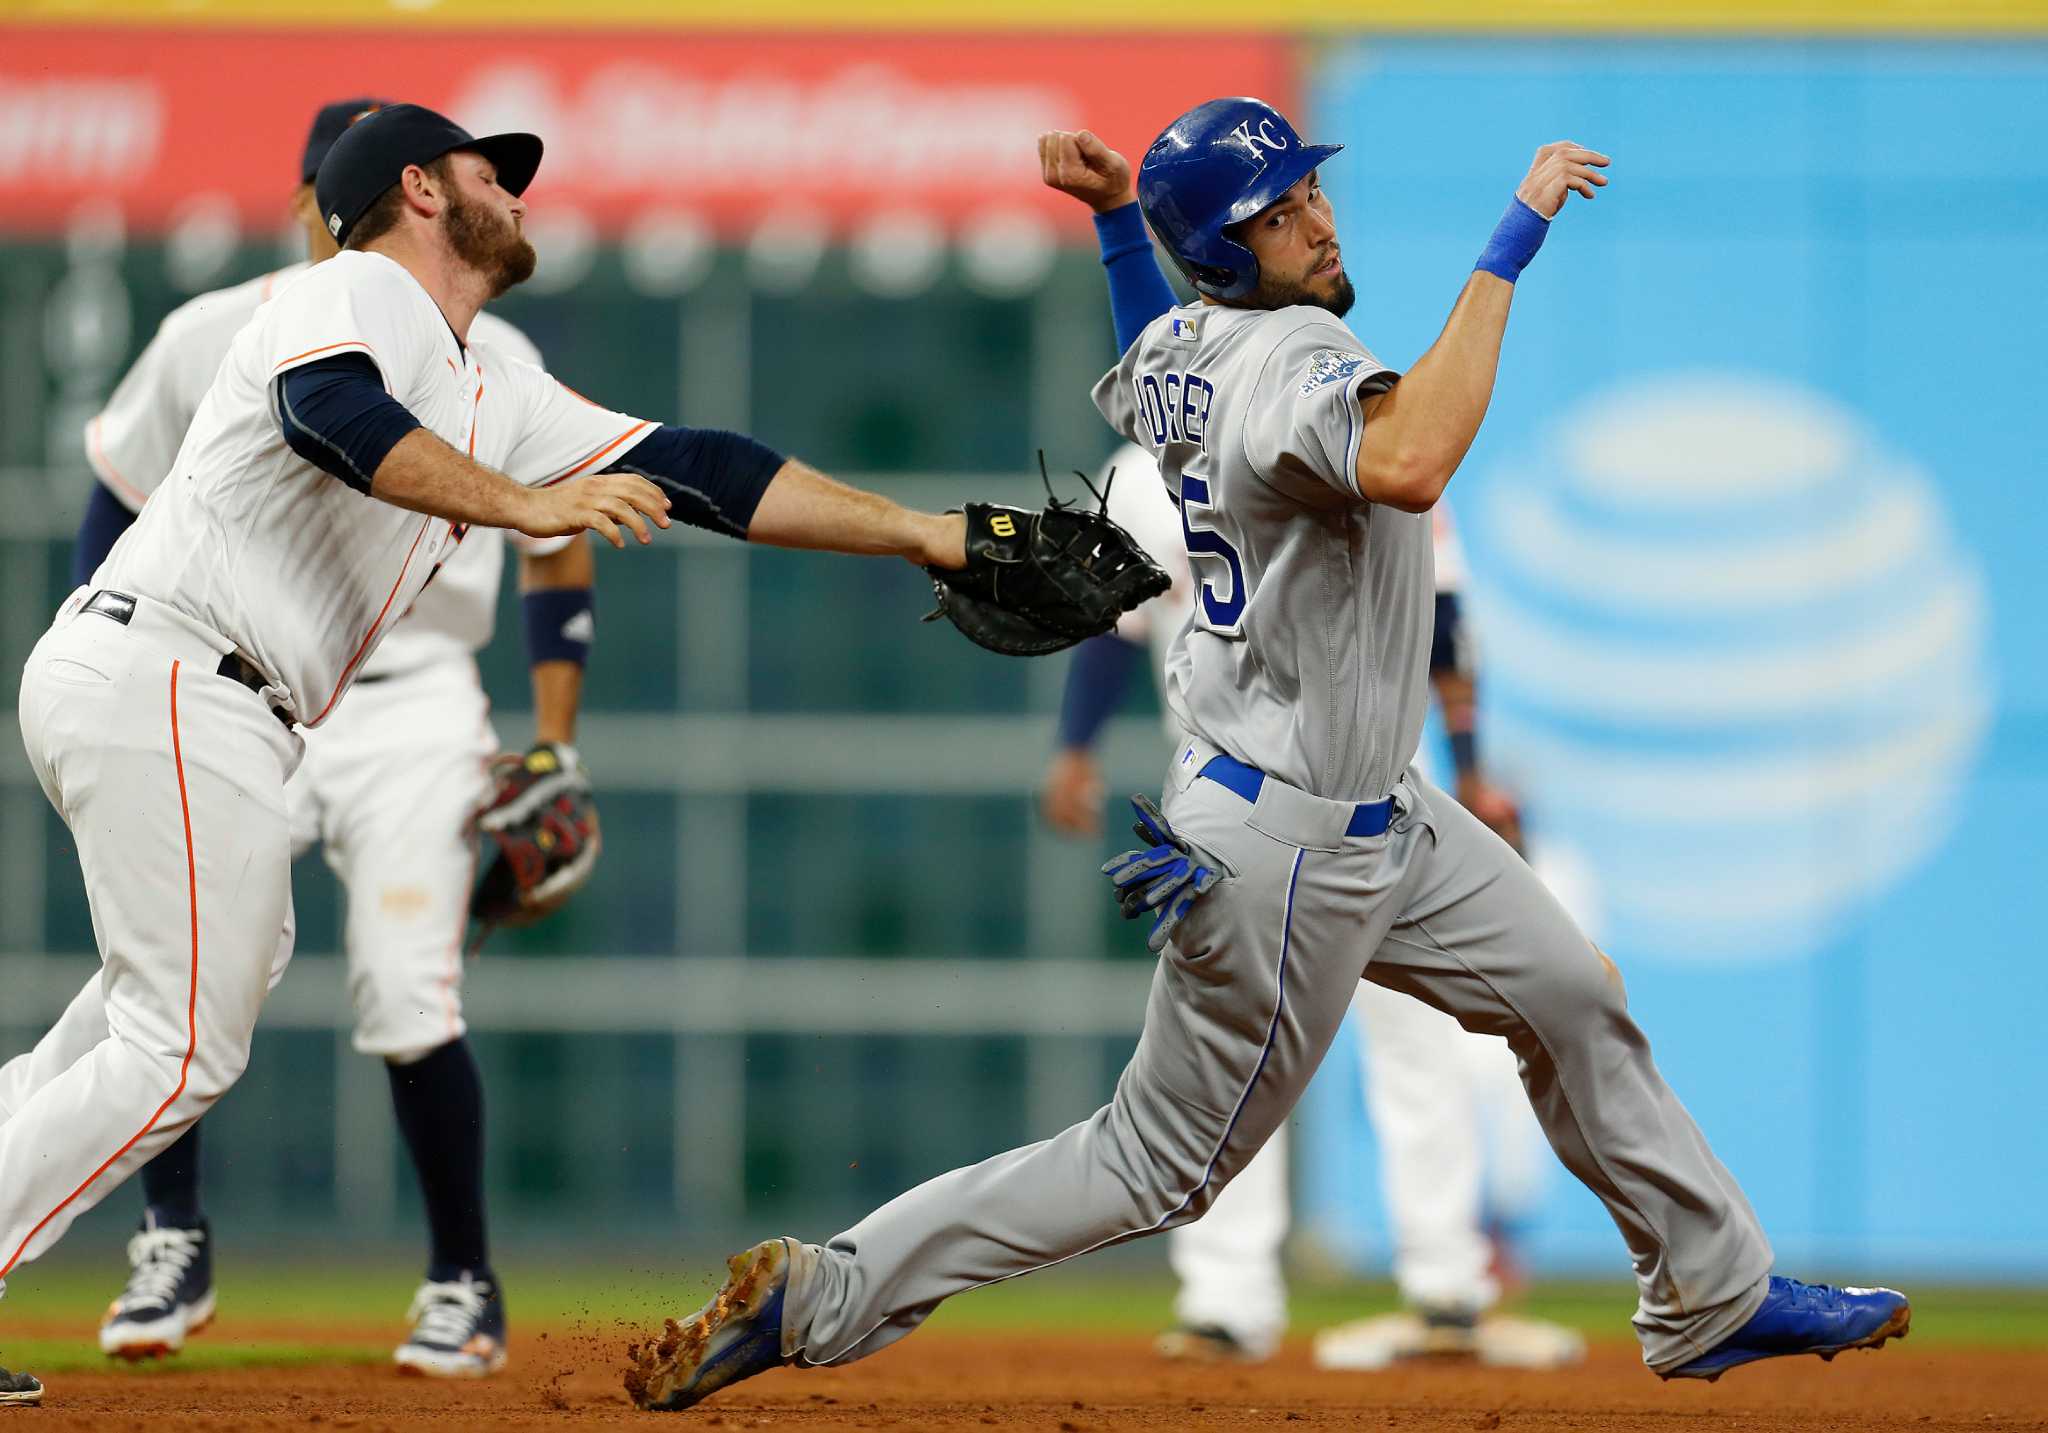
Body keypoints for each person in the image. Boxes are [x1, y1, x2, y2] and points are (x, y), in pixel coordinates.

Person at [623, 99, 1911, 1412]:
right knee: (1153, 1167)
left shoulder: (1192, 341)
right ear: (1232, 258)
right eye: (1276, 211)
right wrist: (1508, 246)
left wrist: (1122, 221)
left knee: (1572, 993)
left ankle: (1711, 1290)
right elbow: (1409, 458)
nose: (1315, 215)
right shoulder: (1294, 355)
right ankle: (827, 1289)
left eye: (1308, 189)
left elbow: (1149, 359)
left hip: (1369, 806)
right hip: (1283, 847)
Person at [0, 101, 983, 1408]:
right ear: (416, 190)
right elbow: (324, 411)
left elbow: (699, 470)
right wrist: (524, 502)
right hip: (175, 671)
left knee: (163, 1007)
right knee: (181, 1044)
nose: (516, 190)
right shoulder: (348, 288)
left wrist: (923, 532)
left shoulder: (488, 376)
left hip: (186, 690)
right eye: (487, 171)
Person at [69, 97, 600, 1378]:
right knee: (175, 984)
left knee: (403, 980)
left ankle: (463, 1279)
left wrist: (552, 738)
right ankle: (171, 1234)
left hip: (412, 700)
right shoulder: (219, 329)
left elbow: (562, 532)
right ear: (326, 199)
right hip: (222, 684)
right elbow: (116, 497)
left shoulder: (495, 348)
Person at [1043, 449, 1581, 1370]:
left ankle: (1447, 1287)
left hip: (1367, 795)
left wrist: (1474, 765)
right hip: (1222, 807)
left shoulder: (1374, 441)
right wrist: (1074, 747)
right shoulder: (1145, 470)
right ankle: (1226, 1299)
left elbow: (1444, 621)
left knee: (1412, 1036)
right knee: (1221, 1050)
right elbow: (1112, 625)